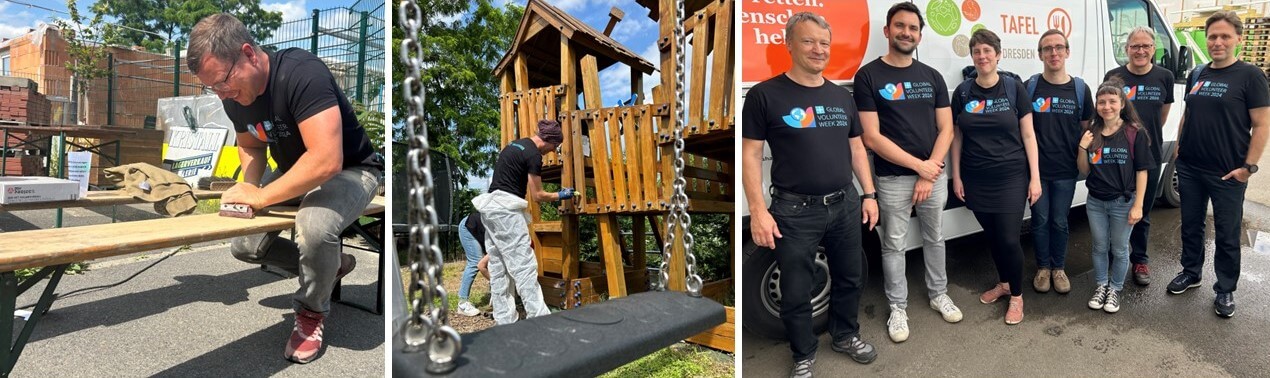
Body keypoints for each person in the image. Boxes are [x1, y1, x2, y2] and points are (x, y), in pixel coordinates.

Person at [187, 13, 383, 363]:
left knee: (315, 227)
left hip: (354, 169)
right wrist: (248, 188)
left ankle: (311, 312)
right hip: (296, 171)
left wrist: (262, 195)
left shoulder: (301, 72)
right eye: (212, 87)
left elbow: (325, 161)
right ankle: (329, 266)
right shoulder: (233, 95)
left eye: (222, 81)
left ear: (248, 53)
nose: (221, 93)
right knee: (244, 242)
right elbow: (250, 145)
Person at [742, 11, 879, 378]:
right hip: (794, 212)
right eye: (808, 41)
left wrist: (869, 194)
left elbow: (856, 149)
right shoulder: (763, 95)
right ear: (788, 44)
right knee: (796, 289)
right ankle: (803, 354)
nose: (818, 50)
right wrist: (758, 211)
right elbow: (752, 155)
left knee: (850, 277)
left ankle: (845, 335)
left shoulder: (840, 96)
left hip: (845, 204)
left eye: (824, 43)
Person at [854, 2, 961, 344]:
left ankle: (938, 293)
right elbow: (871, 136)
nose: (906, 32)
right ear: (887, 31)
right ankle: (897, 308)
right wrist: (920, 168)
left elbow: (947, 129)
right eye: (900, 26)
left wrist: (929, 173)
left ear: (919, 35)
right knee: (894, 245)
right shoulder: (868, 76)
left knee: (935, 238)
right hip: (892, 179)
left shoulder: (931, 76)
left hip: (931, 175)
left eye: (913, 28)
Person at [1169, 11, 1270, 318]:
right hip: (1190, 167)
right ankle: (1192, 271)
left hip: (1228, 173)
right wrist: (1178, 146)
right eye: (1213, 36)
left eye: (1225, 36)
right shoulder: (1198, 73)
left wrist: (1248, 167)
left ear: (1238, 39)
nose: (1217, 42)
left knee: (1226, 232)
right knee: (1191, 224)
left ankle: (1225, 288)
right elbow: (1188, 113)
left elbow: (1262, 125)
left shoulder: (1250, 76)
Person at [950, 28, 1041, 325]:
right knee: (992, 237)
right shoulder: (963, 92)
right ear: (972, 56)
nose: (982, 55)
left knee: (1008, 239)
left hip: (1011, 177)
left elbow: (1028, 135)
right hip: (976, 177)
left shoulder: (1014, 89)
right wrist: (957, 177)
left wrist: (1035, 177)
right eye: (977, 51)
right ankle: (1004, 282)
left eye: (987, 50)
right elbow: (957, 138)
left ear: (998, 55)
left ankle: (1016, 295)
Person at [472, 120, 574, 325]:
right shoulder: (533, 155)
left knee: (499, 266)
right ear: (549, 140)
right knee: (524, 266)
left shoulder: (513, 145)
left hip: (490, 209)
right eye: (555, 146)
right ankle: (541, 319)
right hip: (506, 212)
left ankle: (505, 321)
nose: (553, 151)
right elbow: (538, 195)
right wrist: (561, 195)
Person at [1104, 26, 1175, 286]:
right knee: (1115, 209)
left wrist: (1145, 140)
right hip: (1118, 156)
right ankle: (1115, 255)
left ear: (1153, 49)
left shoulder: (1164, 77)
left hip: (1150, 155)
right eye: (1135, 46)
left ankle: (1140, 260)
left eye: (1146, 46)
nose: (1141, 51)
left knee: (1142, 211)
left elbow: (1162, 116)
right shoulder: (1114, 75)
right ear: (1127, 50)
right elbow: (1109, 111)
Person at [1025, 29, 1093, 295]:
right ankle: (1043, 268)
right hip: (1037, 171)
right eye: (1047, 48)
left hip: (1066, 170)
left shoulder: (1079, 89)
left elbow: (1087, 129)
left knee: (1060, 221)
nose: (1053, 53)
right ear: (1040, 54)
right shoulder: (1030, 87)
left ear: (1067, 52)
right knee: (1040, 220)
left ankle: (1059, 268)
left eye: (1058, 47)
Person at [1076, 79, 1153, 314]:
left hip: (1123, 202)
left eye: (1111, 101)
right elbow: (1084, 170)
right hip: (1096, 202)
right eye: (1101, 102)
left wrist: (1138, 205)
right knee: (1099, 247)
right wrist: (1082, 147)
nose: (1106, 106)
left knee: (1119, 249)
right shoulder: (1093, 132)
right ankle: (1101, 286)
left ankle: (1115, 289)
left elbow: (1142, 171)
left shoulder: (1134, 132)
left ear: (1121, 103)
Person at [457, 211, 489, 317]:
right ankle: (462, 304)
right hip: (469, 227)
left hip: (480, 229)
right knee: (475, 261)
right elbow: (481, 265)